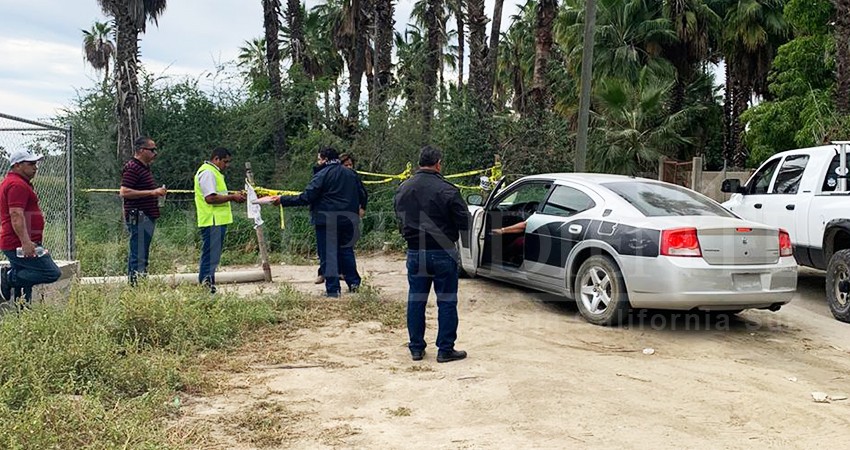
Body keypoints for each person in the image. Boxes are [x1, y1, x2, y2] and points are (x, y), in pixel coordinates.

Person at [393, 145, 471, 363]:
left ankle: (416, 348)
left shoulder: (404, 188)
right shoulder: (448, 189)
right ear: (438, 163)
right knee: (446, 301)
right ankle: (445, 349)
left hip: (416, 251)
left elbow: (399, 217)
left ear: (419, 163)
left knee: (416, 300)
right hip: (443, 251)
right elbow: (464, 221)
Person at [272, 147, 366, 297]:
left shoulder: (322, 175)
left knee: (329, 254)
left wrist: (283, 200)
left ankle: (333, 289)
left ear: (324, 159)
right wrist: (362, 208)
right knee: (346, 251)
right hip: (348, 219)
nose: (318, 162)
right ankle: (354, 284)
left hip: (326, 220)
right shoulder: (351, 173)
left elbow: (307, 197)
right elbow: (362, 192)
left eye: (319, 159)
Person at [0, 149, 62, 308]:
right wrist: (25, 242)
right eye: (31, 164)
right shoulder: (16, 185)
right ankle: (8, 278)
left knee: (24, 285)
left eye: (36, 164)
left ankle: (23, 315)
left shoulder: (17, 183)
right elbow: (16, 214)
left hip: (20, 242)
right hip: (19, 243)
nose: (35, 167)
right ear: (17, 165)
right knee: (51, 272)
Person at [193, 147, 246, 294]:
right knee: (210, 256)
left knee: (212, 255)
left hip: (216, 221)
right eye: (225, 161)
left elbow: (217, 194)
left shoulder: (213, 172)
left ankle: (209, 285)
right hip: (212, 221)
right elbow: (210, 198)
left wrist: (232, 195)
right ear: (216, 159)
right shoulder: (208, 172)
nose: (226, 165)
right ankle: (206, 287)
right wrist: (232, 197)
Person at [313, 152, 367, 284]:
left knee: (337, 251)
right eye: (346, 164)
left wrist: (362, 207)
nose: (349, 167)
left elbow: (362, 192)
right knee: (333, 251)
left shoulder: (348, 175)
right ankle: (329, 275)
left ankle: (336, 286)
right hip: (337, 217)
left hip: (337, 218)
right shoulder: (326, 174)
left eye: (351, 165)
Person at [120, 136, 167, 285]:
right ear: (141, 150)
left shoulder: (143, 168)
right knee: (138, 253)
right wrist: (152, 193)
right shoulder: (133, 167)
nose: (155, 153)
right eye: (152, 150)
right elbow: (124, 192)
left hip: (146, 214)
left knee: (143, 252)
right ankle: (136, 286)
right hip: (138, 215)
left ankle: (139, 283)